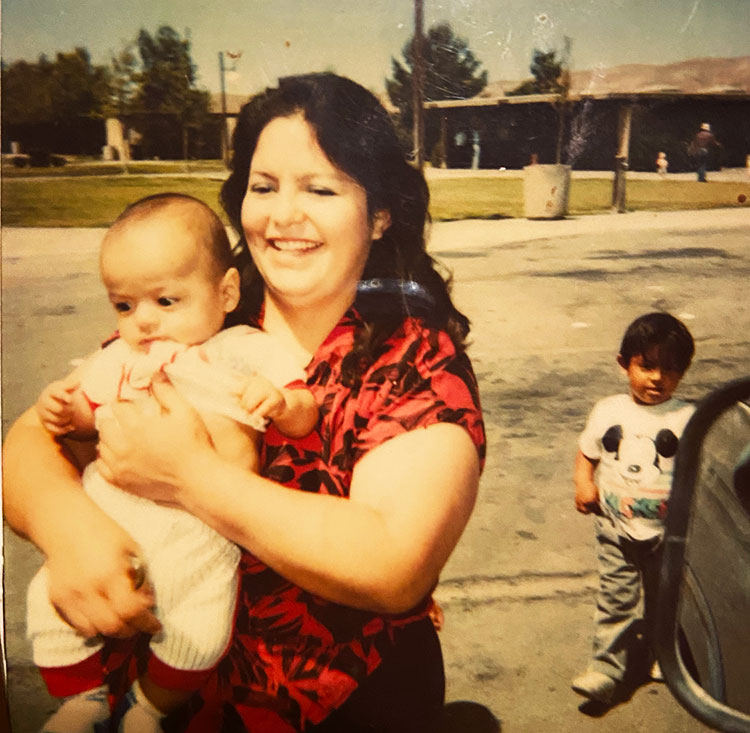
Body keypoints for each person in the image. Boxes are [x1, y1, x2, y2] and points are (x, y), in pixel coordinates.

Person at [2, 73, 485, 732]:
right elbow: (29, 442)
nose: (283, 215)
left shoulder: (413, 360)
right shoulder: (194, 315)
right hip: (159, 698)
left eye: (320, 188)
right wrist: (70, 530)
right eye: (264, 187)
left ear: (378, 211)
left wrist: (191, 476)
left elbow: (391, 559)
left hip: (340, 710)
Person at [27, 193, 319, 731]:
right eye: (123, 305)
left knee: (201, 631)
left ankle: (150, 708)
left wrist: (279, 402)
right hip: (111, 514)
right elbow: (87, 415)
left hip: (201, 534)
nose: (143, 322)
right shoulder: (121, 355)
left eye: (165, 301)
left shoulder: (243, 349)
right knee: (48, 599)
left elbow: (303, 409)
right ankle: (83, 700)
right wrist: (64, 410)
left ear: (226, 291)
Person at [571, 312, 695, 705]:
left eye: (671, 369)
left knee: (667, 598)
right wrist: (583, 483)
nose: (658, 378)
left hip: (669, 534)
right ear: (624, 364)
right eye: (647, 366)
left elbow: (701, 468)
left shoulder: (687, 418)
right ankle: (606, 669)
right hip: (615, 528)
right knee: (615, 600)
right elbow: (587, 453)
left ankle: (667, 658)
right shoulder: (609, 411)